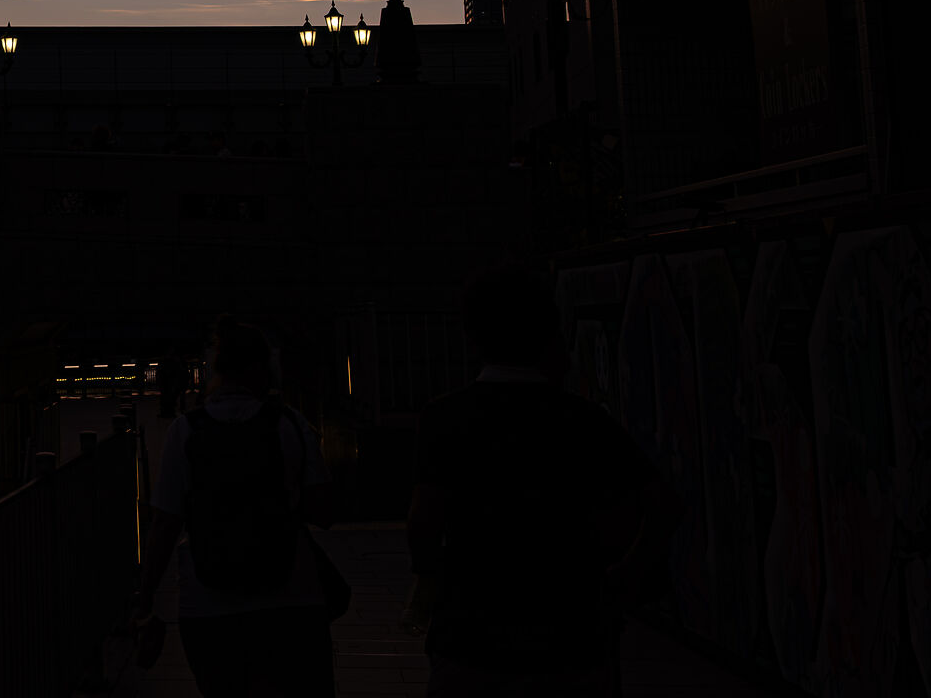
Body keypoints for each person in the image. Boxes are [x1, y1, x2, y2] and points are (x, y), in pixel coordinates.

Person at [403, 262, 678, 695]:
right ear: (550, 334)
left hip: (472, 632)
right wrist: (626, 574)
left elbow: (423, 520)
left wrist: (429, 576)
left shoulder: (444, 417)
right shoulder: (583, 420)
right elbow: (660, 502)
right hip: (573, 634)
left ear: (474, 336)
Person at [142, 317, 344, 697]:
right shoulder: (291, 424)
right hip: (292, 598)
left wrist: (145, 594)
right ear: (262, 368)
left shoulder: (184, 431)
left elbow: (165, 523)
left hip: (208, 605)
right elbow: (325, 512)